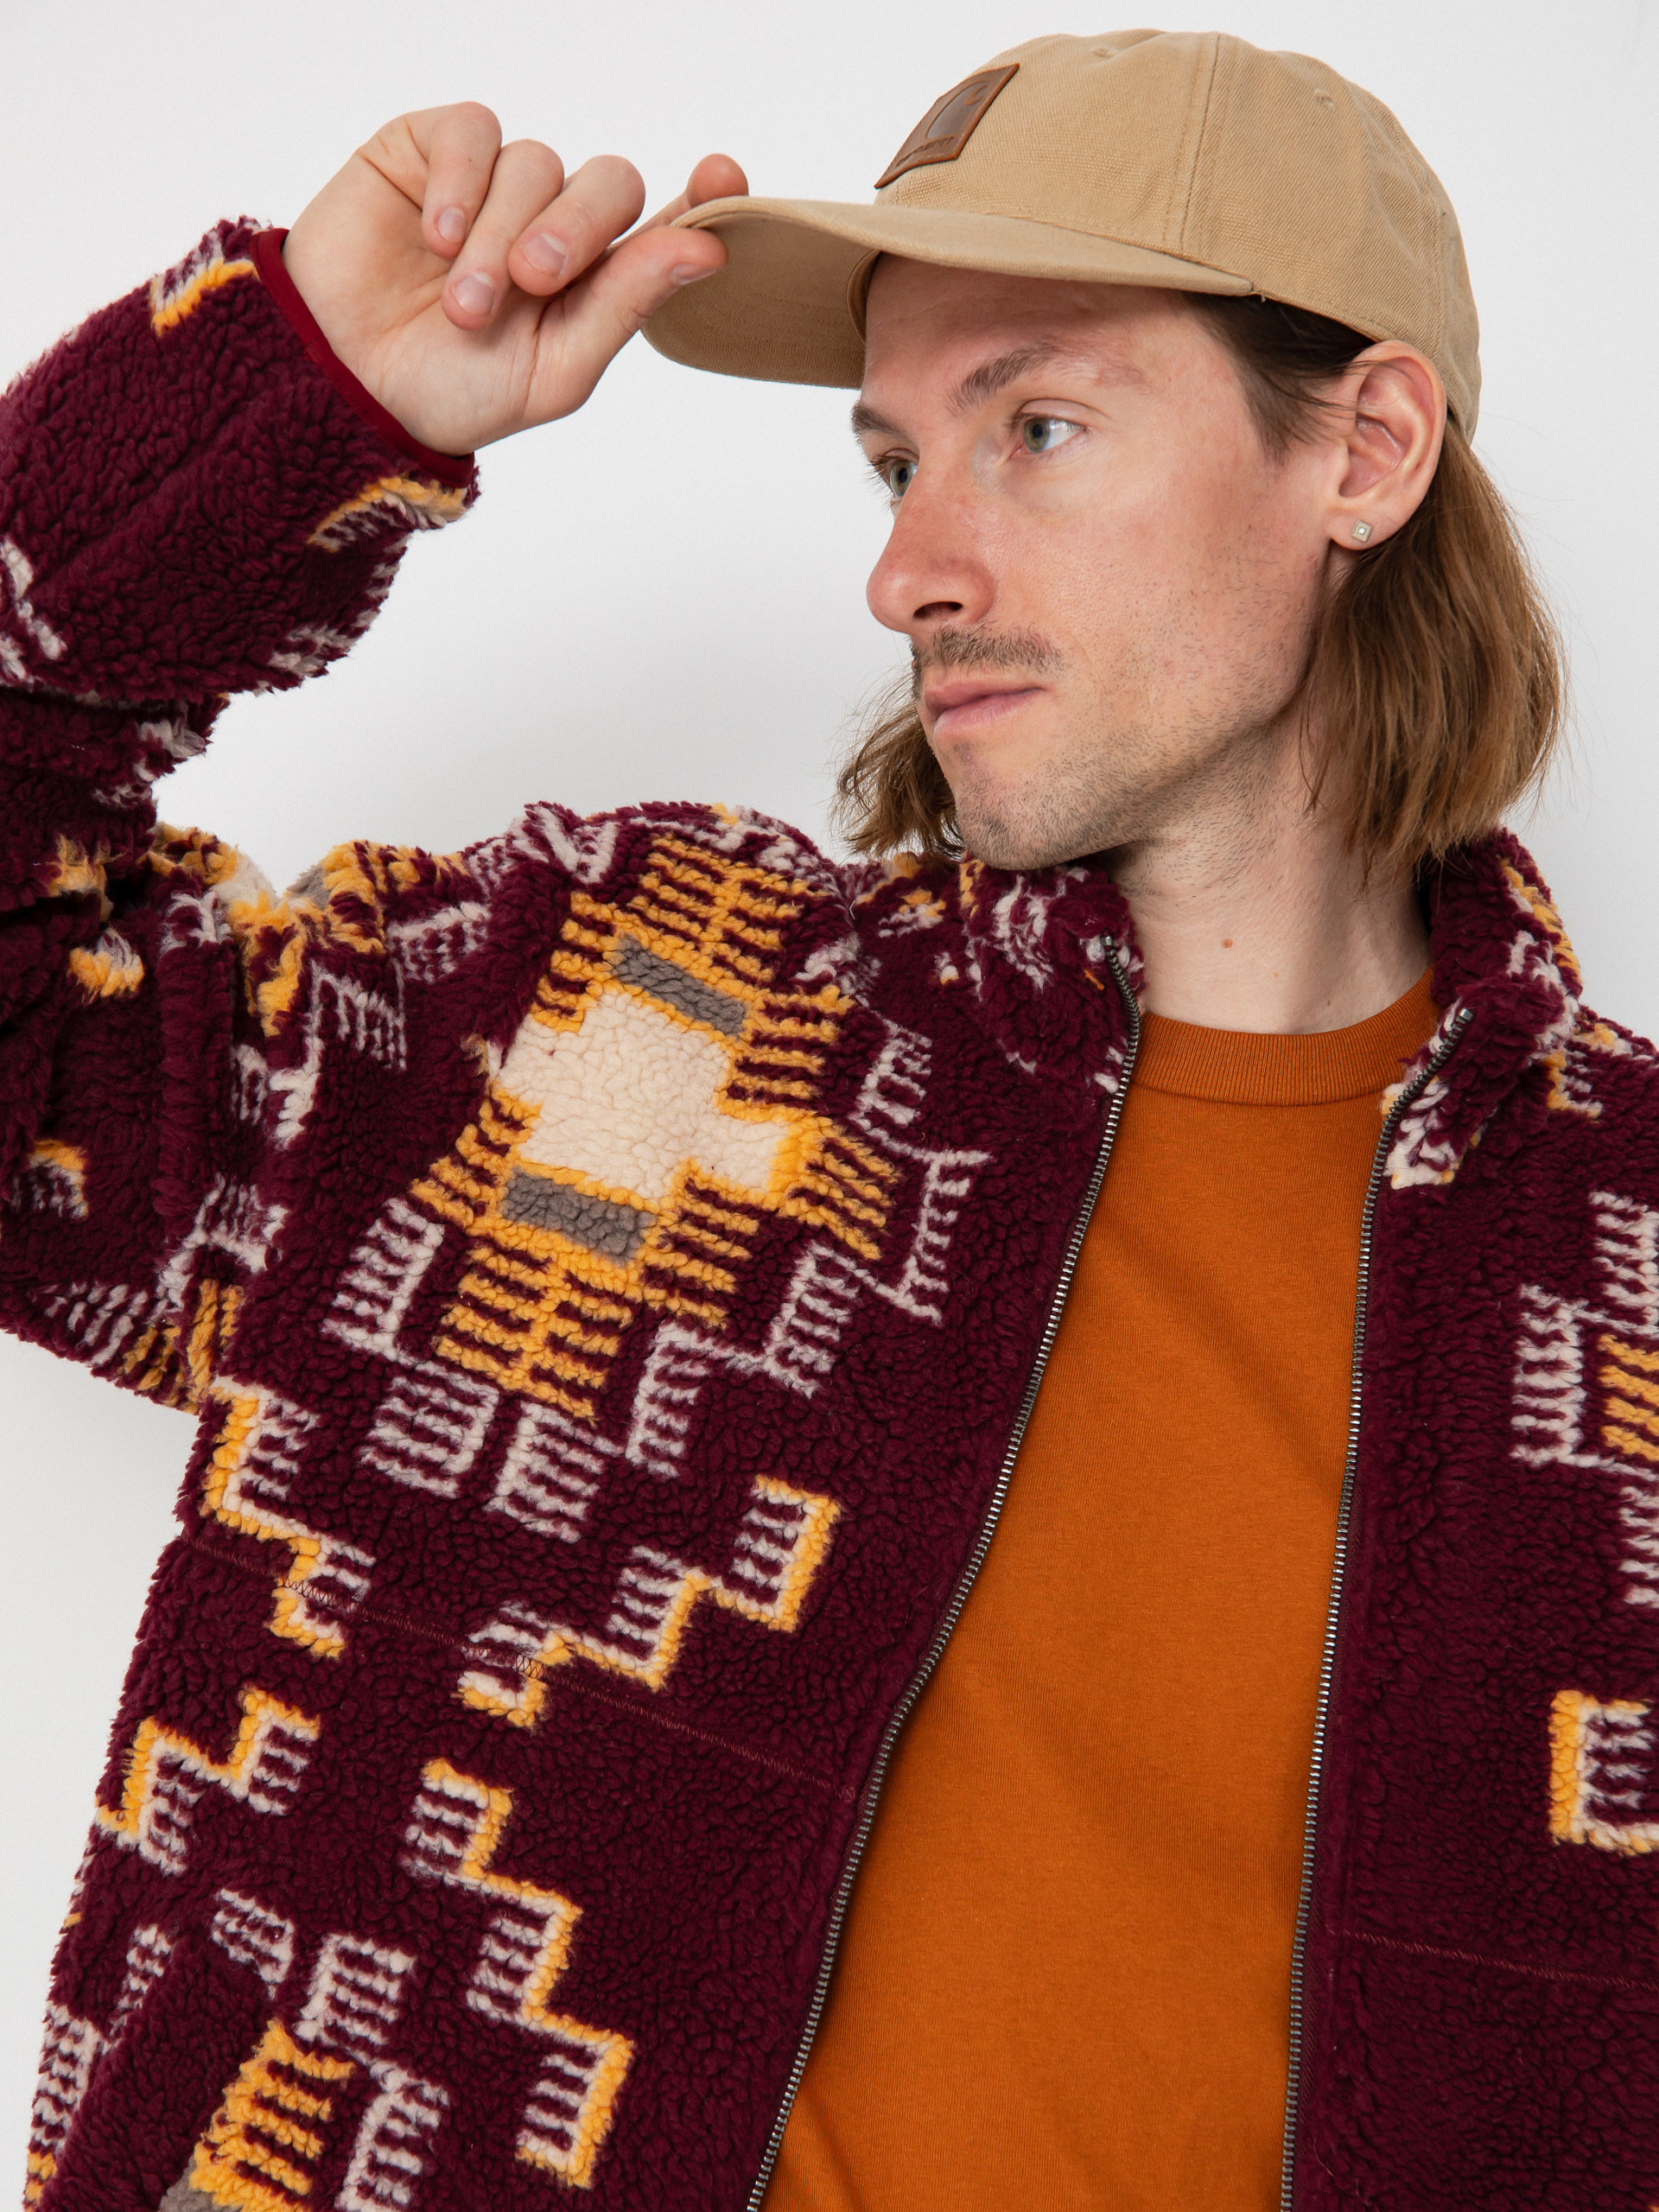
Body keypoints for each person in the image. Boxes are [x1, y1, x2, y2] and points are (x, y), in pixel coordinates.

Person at [2, 27, 1649, 2212]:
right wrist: (286, 409)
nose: (912, 571)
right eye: (895, 463)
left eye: (1037, 426)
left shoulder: (1621, 1283)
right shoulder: (623, 1023)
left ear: (1365, 449)